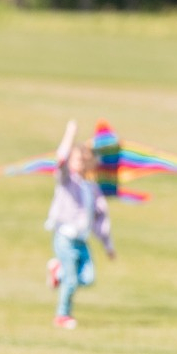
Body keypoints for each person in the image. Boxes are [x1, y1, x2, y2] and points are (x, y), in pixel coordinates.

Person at [44, 120, 115, 329]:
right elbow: (60, 159)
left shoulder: (91, 188)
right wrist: (70, 133)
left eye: (84, 159)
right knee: (73, 280)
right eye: (77, 159)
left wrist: (107, 245)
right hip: (65, 236)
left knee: (88, 278)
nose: (80, 162)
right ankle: (62, 315)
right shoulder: (66, 180)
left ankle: (57, 272)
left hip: (81, 240)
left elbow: (101, 218)